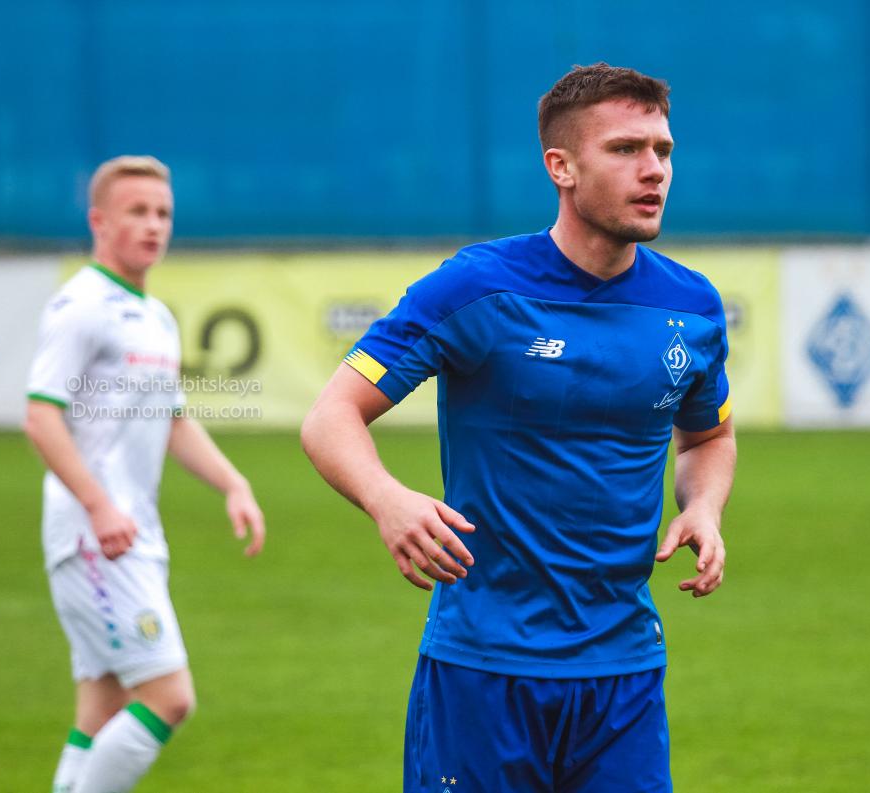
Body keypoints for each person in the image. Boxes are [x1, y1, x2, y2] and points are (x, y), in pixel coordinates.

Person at [302, 63, 735, 792]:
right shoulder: (477, 287)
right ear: (561, 167)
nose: (654, 170)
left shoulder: (692, 305)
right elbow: (331, 415)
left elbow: (708, 437)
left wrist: (704, 506)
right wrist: (387, 499)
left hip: (625, 672)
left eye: (663, 150)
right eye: (625, 149)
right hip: (482, 669)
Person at [25, 156, 266, 793]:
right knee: (169, 697)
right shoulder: (80, 306)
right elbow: (40, 418)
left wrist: (233, 483)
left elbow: (173, 422)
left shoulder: (154, 314)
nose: (154, 225)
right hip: (97, 538)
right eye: (137, 211)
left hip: (133, 534)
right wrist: (99, 506)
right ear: (99, 221)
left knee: (101, 709)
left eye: (163, 213)